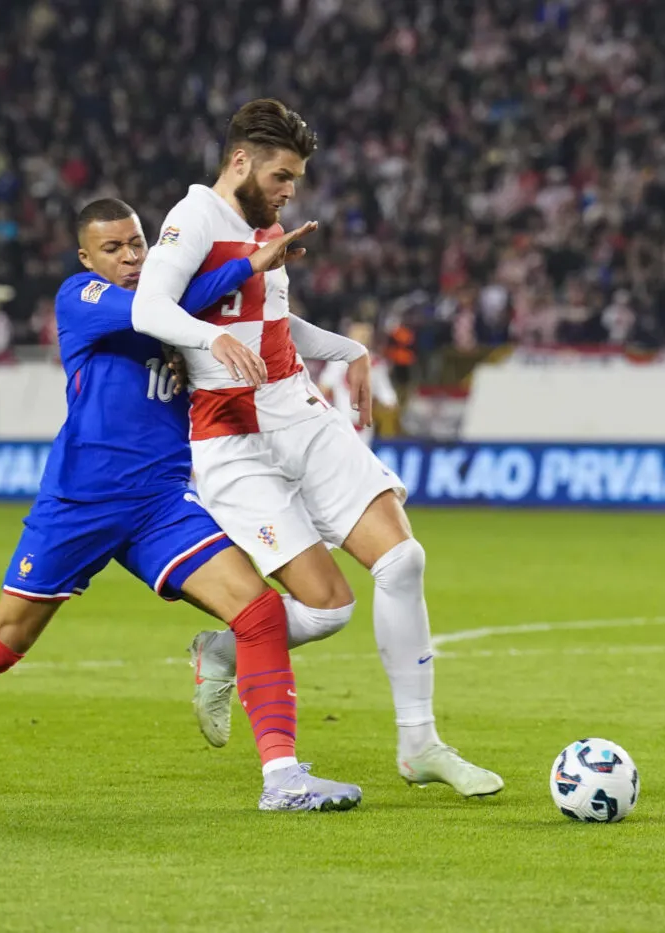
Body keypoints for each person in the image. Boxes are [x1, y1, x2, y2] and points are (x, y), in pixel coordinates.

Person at [0, 199, 361, 812]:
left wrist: (275, 286)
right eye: (113, 249)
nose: (132, 258)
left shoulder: (176, 294)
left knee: (260, 612)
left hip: (161, 504)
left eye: (137, 243)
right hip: (79, 501)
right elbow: (150, 313)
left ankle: (283, 780)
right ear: (87, 257)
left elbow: (243, 321)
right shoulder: (80, 296)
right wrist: (247, 265)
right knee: (4, 641)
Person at [133, 99, 502, 797]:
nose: (289, 191)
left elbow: (272, 320)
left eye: (295, 178)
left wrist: (348, 347)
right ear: (240, 160)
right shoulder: (193, 219)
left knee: (402, 559)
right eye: (281, 175)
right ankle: (223, 648)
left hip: (299, 411)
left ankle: (420, 743)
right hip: (232, 437)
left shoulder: (264, 225)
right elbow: (148, 308)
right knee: (329, 608)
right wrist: (208, 339)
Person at [319, 322, 400, 444]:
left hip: (363, 427)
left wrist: (388, 403)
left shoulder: (376, 365)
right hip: (340, 424)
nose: (363, 339)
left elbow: (387, 395)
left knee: (360, 461)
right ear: (350, 336)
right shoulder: (337, 361)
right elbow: (323, 388)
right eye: (359, 335)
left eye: (366, 336)